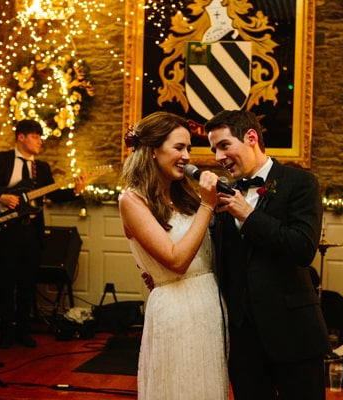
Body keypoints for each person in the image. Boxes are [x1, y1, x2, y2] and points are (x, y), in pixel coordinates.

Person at [207, 110, 331, 399]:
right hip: (243, 341)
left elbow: (303, 248)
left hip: (294, 334)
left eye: (224, 145)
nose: (218, 157)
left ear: (251, 137)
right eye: (214, 150)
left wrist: (249, 216)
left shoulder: (300, 183)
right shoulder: (224, 194)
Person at [118, 112, 229, 399]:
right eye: (179, 147)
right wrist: (207, 206)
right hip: (176, 311)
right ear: (153, 150)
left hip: (208, 305)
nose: (187, 156)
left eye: (188, 148)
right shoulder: (132, 200)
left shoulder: (186, 197)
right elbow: (176, 261)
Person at [0, 119, 86, 349]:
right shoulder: (0, 160)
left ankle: (23, 330)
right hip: (6, 230)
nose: (40, 141)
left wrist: (75, 191)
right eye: (35, 136)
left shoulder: (42, 168)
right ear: (21, 137)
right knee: (6, 282)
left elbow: (53, 194)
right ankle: (6, 331)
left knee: (27, 282)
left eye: (40, 137)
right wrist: (1, 196)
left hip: (31, 231)